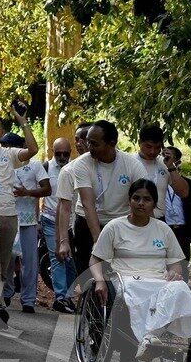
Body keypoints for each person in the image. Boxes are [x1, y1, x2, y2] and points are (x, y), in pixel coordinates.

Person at [91, 179, 191, 362]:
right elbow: (95, 260)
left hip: (159, 279)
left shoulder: (163, 229)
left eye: (147, 199)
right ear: (129, 200)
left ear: (154, 203)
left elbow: (175, 263)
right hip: (126, 279)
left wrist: (174, 273)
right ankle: (149, 338)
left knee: (180, 287)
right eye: (136, 198)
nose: (141, 203)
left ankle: (164, 339)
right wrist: (100, 281)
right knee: (136, 291)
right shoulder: (114, 227)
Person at [58, 120, 138, 282]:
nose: (89, 147)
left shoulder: (131, 164)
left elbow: (142, 199)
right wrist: (98, 241)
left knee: (121, 276)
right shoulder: (81, 164)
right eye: (88, 142)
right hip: (87, 224)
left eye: (94, 143)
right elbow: (88, 204)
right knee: (88, 275)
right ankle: (88, 302)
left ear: (112, 143)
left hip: (119, 223)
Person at [0, 108, 38, 321]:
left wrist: (23, 121)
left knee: (3, 265)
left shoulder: (9, 154)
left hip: (9, 214)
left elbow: (32, 149)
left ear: (2, 131)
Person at [9, 133, 50, 313]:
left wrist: (27, 193)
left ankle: (28, 299)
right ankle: (7, 293)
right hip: (7, 217)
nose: (9, 151)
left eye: (13, 147)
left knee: (30, 262)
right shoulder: (2, 164)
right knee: (6, 260)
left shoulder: (34, 165)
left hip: (28, 220)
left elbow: (47, 189)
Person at [40, 136, 77, 313]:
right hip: (49, 219)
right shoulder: (46, 167)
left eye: (65, 154)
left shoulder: (76, 168)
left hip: (71, 222)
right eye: (58, 154)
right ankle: (61, 298)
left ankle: (69, 296)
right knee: (57, 258)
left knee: (71, 261)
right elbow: (40, 192)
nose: (62, 157)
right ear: (52, 153)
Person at [162, 147, 191, 266]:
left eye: (169, 157)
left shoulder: (187, 184)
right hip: (164, 229)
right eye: (163, 156)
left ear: (177, 162)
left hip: (182, 231)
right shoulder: (157, 182)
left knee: (183, 265)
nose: (165, 160)